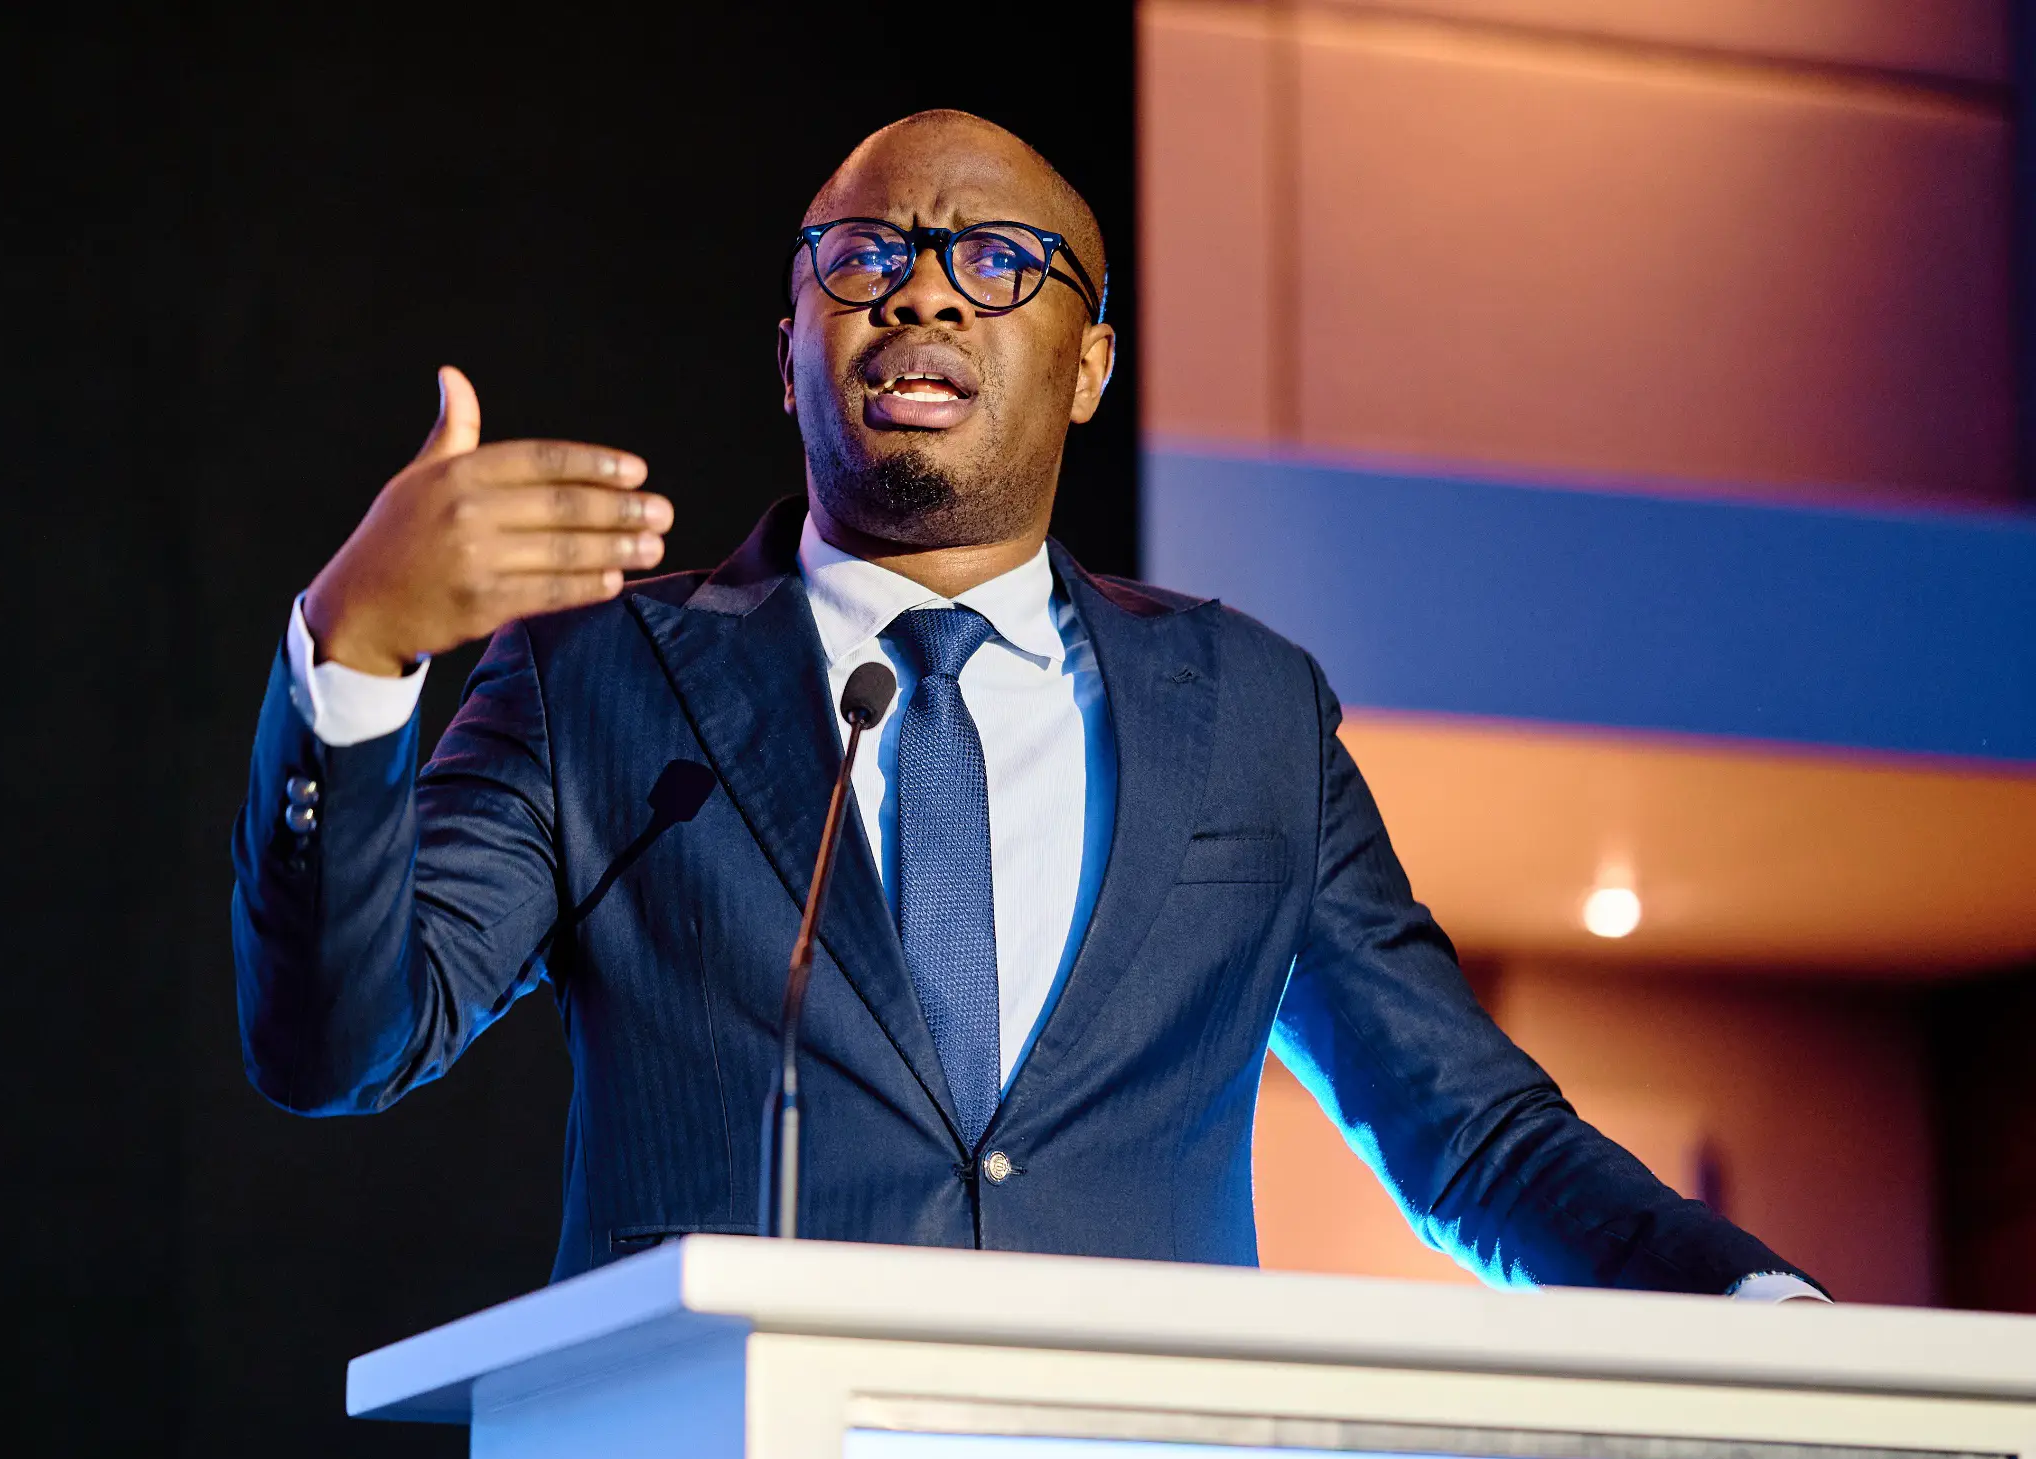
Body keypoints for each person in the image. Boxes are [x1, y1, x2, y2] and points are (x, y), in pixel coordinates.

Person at [231, 110, 1822, 1300]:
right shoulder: (599, 681)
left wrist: (1764, 1311)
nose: (921, 296)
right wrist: (353, 654)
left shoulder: (1251, 714)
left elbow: (1471, 1134)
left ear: (1088, 365)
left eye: (995, 262)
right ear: (786, 349)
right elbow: (342, 1041)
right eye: (862, 259)